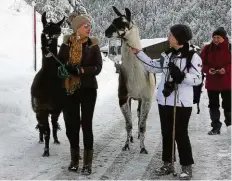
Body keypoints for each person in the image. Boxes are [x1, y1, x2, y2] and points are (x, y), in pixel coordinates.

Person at [131, 24, 202, 180]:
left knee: (180, 134)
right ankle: (167, 163)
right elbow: (154, 67)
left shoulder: (192, 56)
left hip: (182, 103)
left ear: (179, 38)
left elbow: (197, 79)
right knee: (167, 133)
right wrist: (139, 54)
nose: (168, 37)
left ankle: (186, 166)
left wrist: (182, 76)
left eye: (171, 35)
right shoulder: (167, 54)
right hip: (165, 101)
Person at [58, 14, 102, 174]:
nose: (89, 29)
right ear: (77, 28)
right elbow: (60, 61)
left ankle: (88, 163)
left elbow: (98, 67)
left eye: (90, 26)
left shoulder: (93, 44)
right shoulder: (67, 43)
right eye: (86, 26)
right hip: (70, 88)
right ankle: (75, 160)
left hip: (88, 88)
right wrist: (65, 68)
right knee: (72, 125)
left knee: (87, 125)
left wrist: (82, 70)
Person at [201, 27, 231, 135]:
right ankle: (215, 127)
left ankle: (230, 126)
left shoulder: (230, 48)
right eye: (214, 37)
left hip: (227, 83)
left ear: (224, 38)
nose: (216, 39)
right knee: (213, 106)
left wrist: (226, 69)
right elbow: (202, 64)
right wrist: (208, 70)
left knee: (228, 105)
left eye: (218, 37)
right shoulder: (207, 48)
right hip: (212, 83)